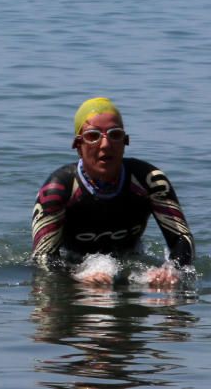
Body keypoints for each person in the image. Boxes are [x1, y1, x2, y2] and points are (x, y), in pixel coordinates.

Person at [31, 97, 195, 288]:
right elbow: (42, 259)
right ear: (78, 145)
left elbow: (182, 239)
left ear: (126, 142)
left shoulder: (150, 181)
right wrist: (77, 277)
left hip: (131, 259)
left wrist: (171, 271)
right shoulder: (57, 190)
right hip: (74, 265)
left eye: (115, 135)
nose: (105, 145)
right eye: (93, 136)